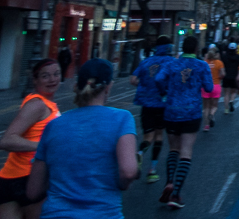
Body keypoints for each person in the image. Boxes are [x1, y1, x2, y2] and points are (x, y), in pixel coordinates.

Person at [27, 59, 138, 219]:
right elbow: (128, 172)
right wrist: (122, 184)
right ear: (108, 87)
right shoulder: (122, 119)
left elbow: (33, 191)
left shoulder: (54, 125)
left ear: (77, 86)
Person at [0, 59, 61, 219]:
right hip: (30, 180)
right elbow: (7, 140)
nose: (52, 80)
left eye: (56, 74)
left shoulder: (45, 103)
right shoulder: (37, 105)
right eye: (45, 76)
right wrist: (43, 146)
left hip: (9, 179)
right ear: (35, 79)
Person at [154, 36, 213, 209]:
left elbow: (158, 79)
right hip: (191, 112)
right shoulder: (202, 65)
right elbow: (209, 88)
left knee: (173, 149)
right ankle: (176, 193)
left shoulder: (172, 64)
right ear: (196, 48)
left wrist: (165, 91)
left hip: (171, 111)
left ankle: (170, 181)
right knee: (186, 152)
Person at [129, 35, 175, 184]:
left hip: (146, 104)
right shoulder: (172, 62)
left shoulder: (146, 61)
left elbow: (133, 80)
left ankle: (140, 152)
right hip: (162, 104)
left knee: (147, 136)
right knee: (159, 136)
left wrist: (145, 87)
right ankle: (152, 170)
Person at [203, 48, 225, 130]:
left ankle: (206, 126)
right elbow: (223, 74)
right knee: (214, 105)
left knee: (206, 107)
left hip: (206, 86)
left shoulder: (204, 63)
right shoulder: (219, 63)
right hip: (216, 86)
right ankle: (212, 114)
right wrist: (219, 78)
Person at [222, 43, 239, 114]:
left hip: (226, 76)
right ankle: (232, 100)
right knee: (233, 92)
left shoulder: (224, 57)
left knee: (226, 93)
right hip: (235, 76)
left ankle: (226, 109)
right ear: (236, 49)